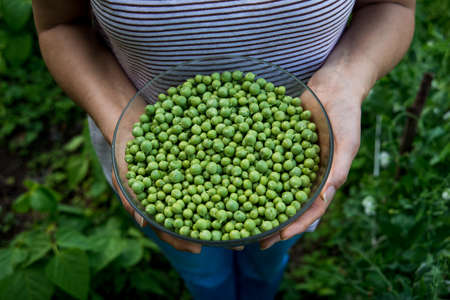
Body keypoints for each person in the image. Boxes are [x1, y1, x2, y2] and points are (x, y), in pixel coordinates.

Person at [32, 1, 415, 299]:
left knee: (271, 253)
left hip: (305, 149)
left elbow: (391, 5)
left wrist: (347, 81)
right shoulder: (164, 162)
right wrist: (119, 118)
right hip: (137, 130)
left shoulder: (286, 172)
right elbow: (60, 23)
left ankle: (260, 288)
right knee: (200, 266)